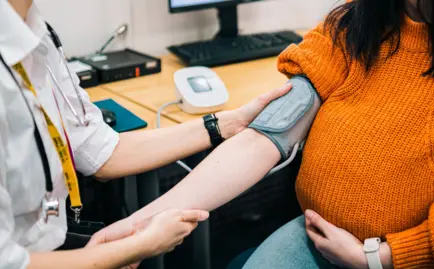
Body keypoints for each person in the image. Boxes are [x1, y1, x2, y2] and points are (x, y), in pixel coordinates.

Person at [91, 0, 434, 268]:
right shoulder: (355, 26)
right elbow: (264, 137)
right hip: (316, 238)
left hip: (418, 257)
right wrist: (139, 226)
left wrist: (382, 258)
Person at [0, 0, 293, 268]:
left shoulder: (37, 32)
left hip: (52, 239)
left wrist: (226, 123)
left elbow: (99, 151)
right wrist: (137, 246)